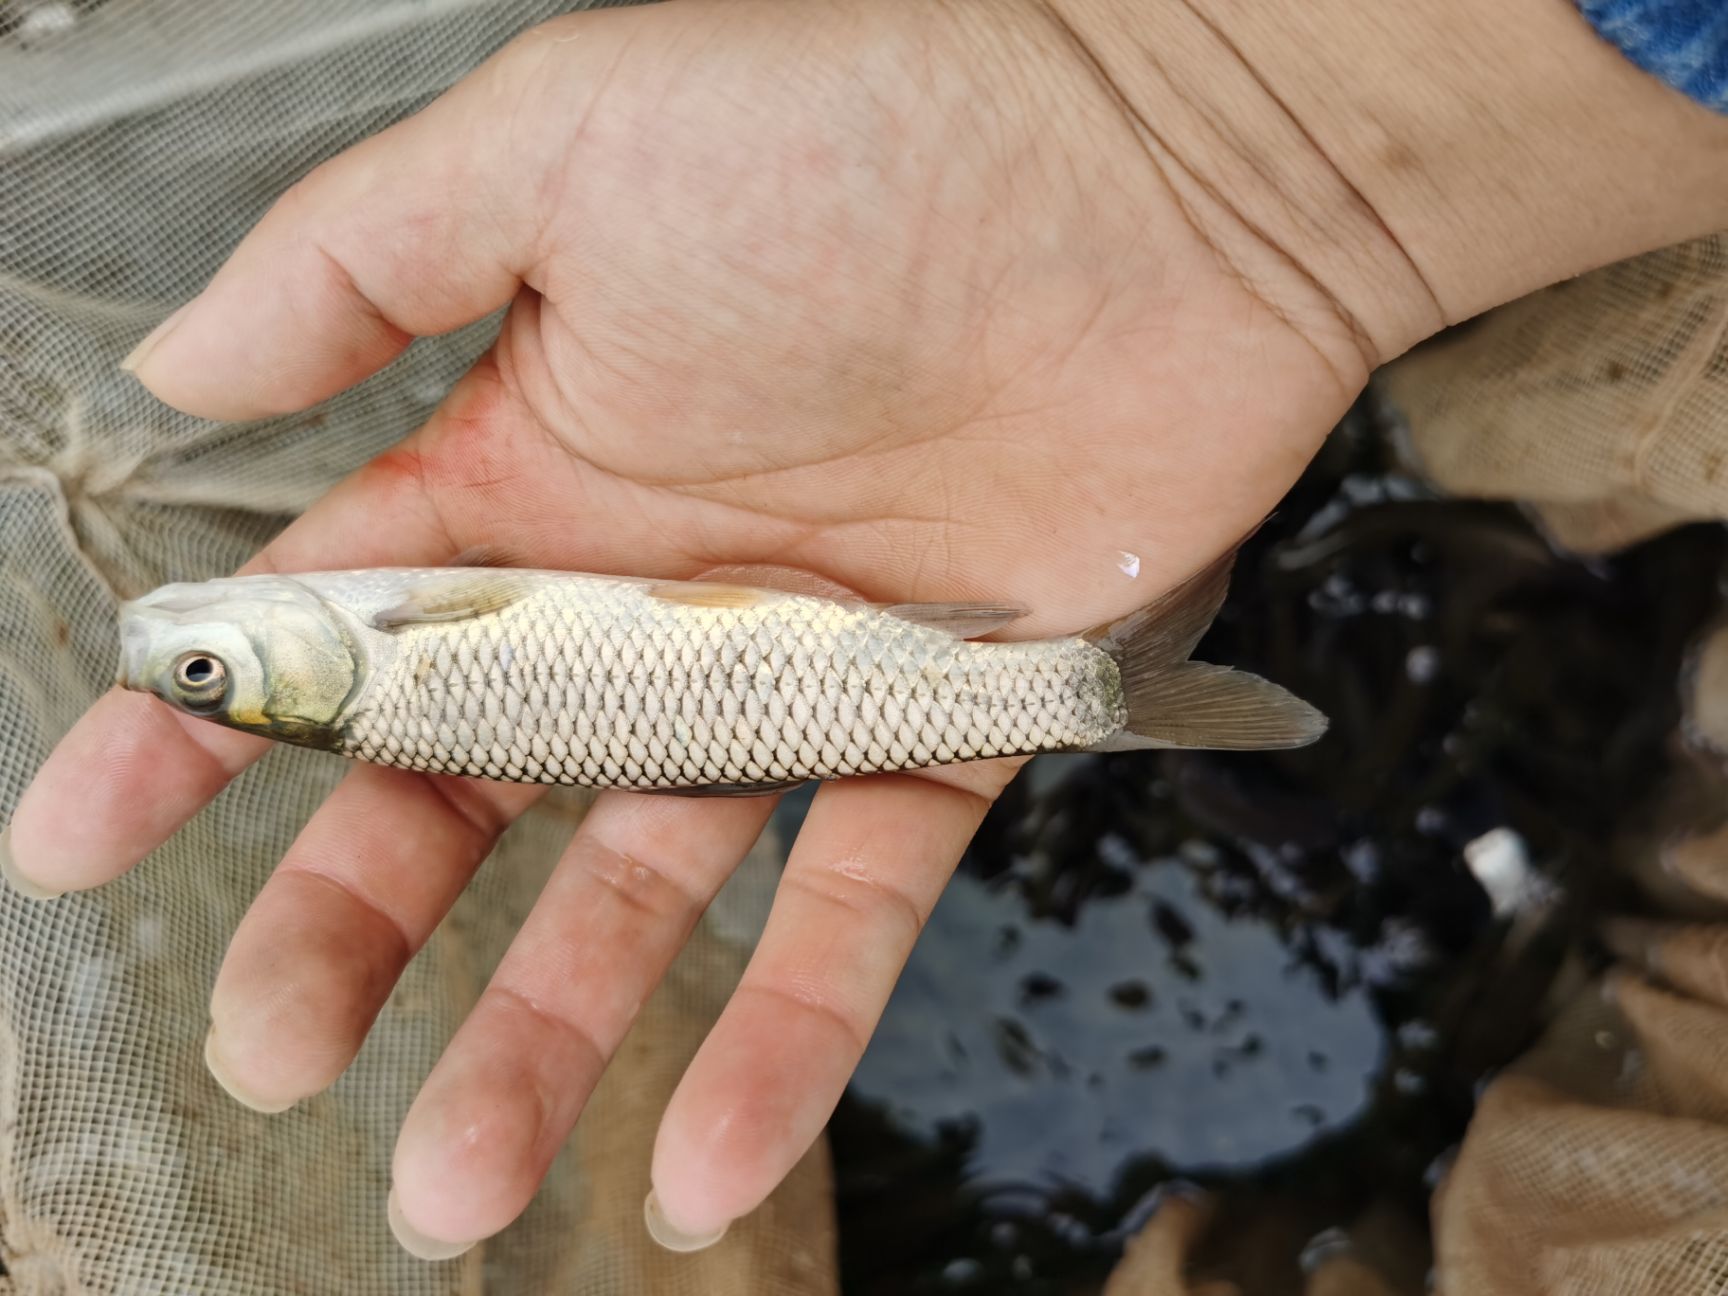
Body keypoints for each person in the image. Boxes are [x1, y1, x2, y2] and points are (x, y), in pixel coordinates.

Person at [3, 0, 1725, 1264]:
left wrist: (1200, 98)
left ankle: (1139, 676)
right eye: (209, 674)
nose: (187, 643)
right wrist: (1215, 103)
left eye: (209, 672)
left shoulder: (384, 656)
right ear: (312, 675)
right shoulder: (388, 656)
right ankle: (1118, 691)